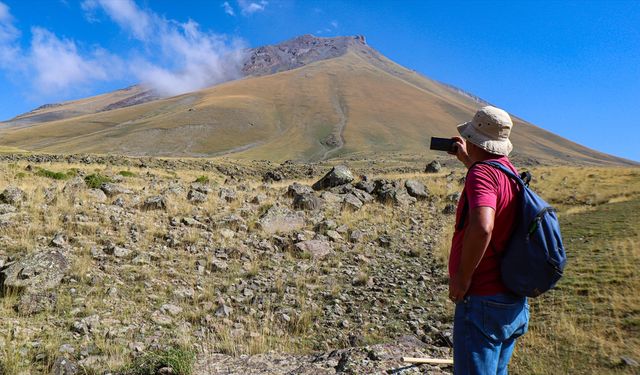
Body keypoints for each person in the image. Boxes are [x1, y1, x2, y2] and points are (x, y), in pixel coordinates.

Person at [447, 106, 529, 374]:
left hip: (483, 298)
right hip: (511, 299)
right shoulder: (510, 173)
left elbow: (483, 228)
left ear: (474, 139)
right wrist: (468, 161)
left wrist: (463, 276)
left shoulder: (481, 174)